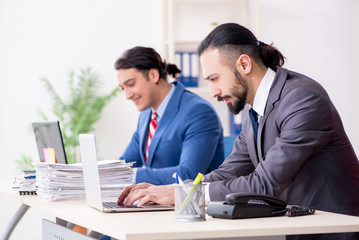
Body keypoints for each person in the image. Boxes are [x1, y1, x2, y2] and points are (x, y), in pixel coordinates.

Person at [117, 24, 359, 240]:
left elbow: (265, 183)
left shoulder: (302, 99)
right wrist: (179, 192)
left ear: (244, 64)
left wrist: (182, 194)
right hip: (298, 228)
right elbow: (229, 170)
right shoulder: (254, 109)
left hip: (336, 229)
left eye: (214, 78)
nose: (212, 91)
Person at [115, 46, 224, 185]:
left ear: (153, 75)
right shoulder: (146, 113)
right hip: (156, 202)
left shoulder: (199, 112)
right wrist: (104, 172)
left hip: (190, 204)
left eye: (131, 84)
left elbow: (188, 174)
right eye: (123, 88)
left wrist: (132, 175)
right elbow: (127, 161)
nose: (127, 95)